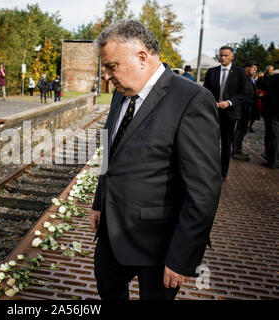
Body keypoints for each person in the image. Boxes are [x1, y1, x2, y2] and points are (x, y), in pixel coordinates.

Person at [91, 19, 222, 300]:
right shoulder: (120, 93)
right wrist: (99, 201)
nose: (105, 76)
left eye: (111, 66)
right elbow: (109, 151)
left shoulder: (192, 100)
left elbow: (203, 190)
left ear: (141, 57)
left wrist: (181, 257)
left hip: (159, 245)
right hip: (111, 233)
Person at [203, 46, 248, 181]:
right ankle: (209, 169)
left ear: (232, 56)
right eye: (221, 55)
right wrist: (211, 103)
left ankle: (223, 172)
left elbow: (244, 93)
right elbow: (205, 91)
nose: (222, 58)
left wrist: (229, 102)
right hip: (213, 112)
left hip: (230, 113)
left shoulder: (239, 72)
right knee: (211, 142)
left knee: (226, 144)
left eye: (226, 55)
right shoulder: (212, 72)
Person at [232, 61, 258, 161]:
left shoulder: (250, 79)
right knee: (240, 130)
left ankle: (238, 150)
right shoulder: (243, 79)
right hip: (242, 108)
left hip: (248, 108)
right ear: (247, 68)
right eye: (253, 67)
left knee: (243, 130)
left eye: (256, 68)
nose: (255, 70)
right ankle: (236, 151)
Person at [259, 66, 279, 168]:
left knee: (274, 136)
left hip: (273, 112)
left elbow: (267, 93)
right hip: (273, 111)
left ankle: (273, 160)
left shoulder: (274, 78)